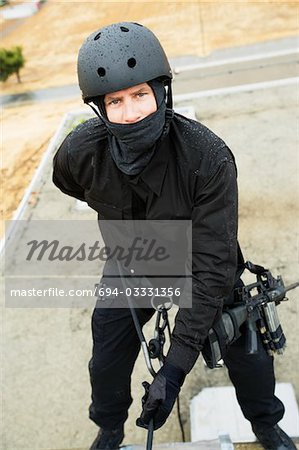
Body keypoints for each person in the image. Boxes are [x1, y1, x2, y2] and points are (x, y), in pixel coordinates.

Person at [52, 22, 296, 450]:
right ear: (100, 109)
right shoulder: (81, 152)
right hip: (133, 262)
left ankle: (264, 423)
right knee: (106, 354)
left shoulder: (208, 158)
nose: (131, 113)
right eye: (116, 101)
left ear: (162, 92)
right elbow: (69, 183)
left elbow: (212, 268)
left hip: (201, 262)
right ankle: (108, 428)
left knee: (244, 343)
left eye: (141, 95)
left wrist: (174, 369)